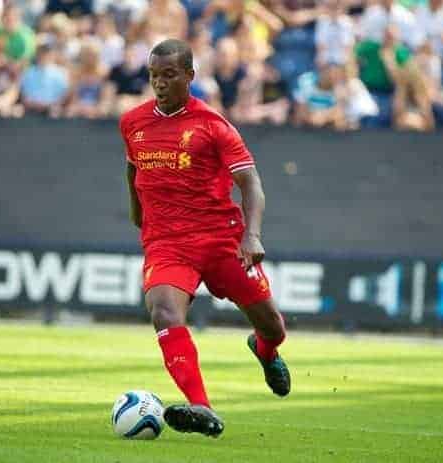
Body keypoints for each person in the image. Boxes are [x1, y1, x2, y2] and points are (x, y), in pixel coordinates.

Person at [119, 39, 290, 438]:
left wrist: (252, 235)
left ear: (190, 76)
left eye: (169, 75)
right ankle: (202, 407)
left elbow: (251, 183)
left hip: (221, 239)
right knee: (163, 310)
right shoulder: (132, 123)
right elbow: (132, 169)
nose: (159, 84)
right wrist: (136, 210)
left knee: (272, 326)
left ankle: (265, 350)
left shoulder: (213, 126)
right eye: (154, 76)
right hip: (167, 241)